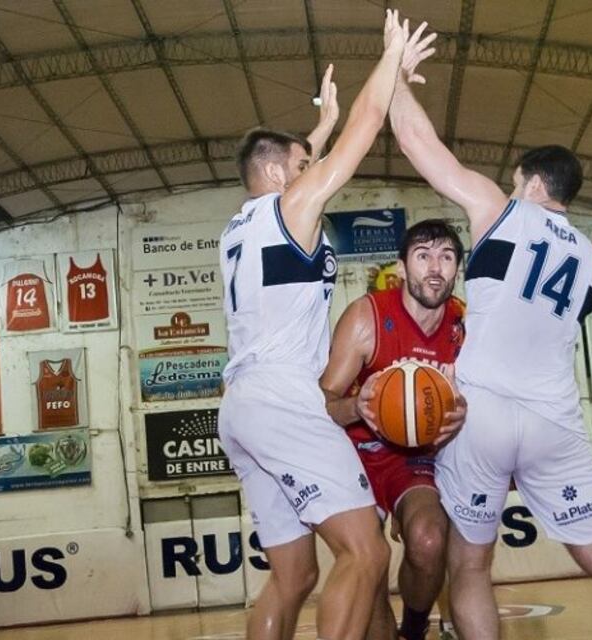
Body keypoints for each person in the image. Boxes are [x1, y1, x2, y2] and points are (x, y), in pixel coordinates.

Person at [387, 34, 592, 640]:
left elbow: (415, 142)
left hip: (482, 412)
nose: (510, 188)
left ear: (531, 184)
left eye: (515, 181)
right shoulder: (586, 255)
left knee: (471, 566)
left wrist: (397, 78)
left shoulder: (501, 211)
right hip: (553, 419)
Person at [217, 12, 435, 640]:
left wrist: (317, 129)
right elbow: (365, 130)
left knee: (293, 577)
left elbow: (285, 164)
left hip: (241, 405)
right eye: (302, 162)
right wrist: (389, 62)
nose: (310, 167)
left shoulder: (240, 226)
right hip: (286, 398)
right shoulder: (292, 207)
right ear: (281, 175)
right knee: (365, 552)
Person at [320, 220, 466, 640]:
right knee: (370, 564)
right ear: (401, 267)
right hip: (354, 454)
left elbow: (480, 398)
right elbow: (321, 404)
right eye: (423, 256)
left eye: (446, 257)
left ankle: (415, 631)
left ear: (457, 269)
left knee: (429, 540)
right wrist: (356, 406)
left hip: (414, 457)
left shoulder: (464, 323)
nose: (435, 268)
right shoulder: (366, 317)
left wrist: (463, 412)